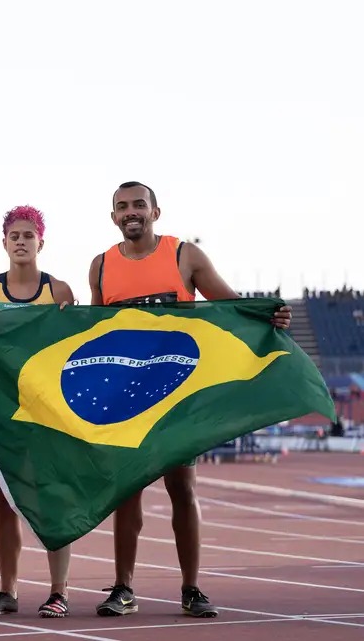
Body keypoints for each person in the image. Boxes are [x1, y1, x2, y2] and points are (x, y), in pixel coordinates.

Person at [88, 181, 291, 619]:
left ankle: (192, 588)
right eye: (122, 207)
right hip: (128, 402)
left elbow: (231, 306)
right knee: (127, 494)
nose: (131, 212)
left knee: (183, 489)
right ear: (113, 217)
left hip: (178, 395)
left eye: (138, 204)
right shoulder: (101, 266)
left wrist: (268, 315)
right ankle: (123, 587)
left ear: (155, 212)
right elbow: (92, 334)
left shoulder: (184, 256)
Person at [0, 205, 76, 619]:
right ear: (3, 243)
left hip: (48, 413)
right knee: (4, 502)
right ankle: (7, 590)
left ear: (41, 242)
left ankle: (58, 591)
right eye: (13, 235)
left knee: (54, 499)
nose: (20, 241)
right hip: (1, 413)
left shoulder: (60, 291)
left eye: (27, 235)